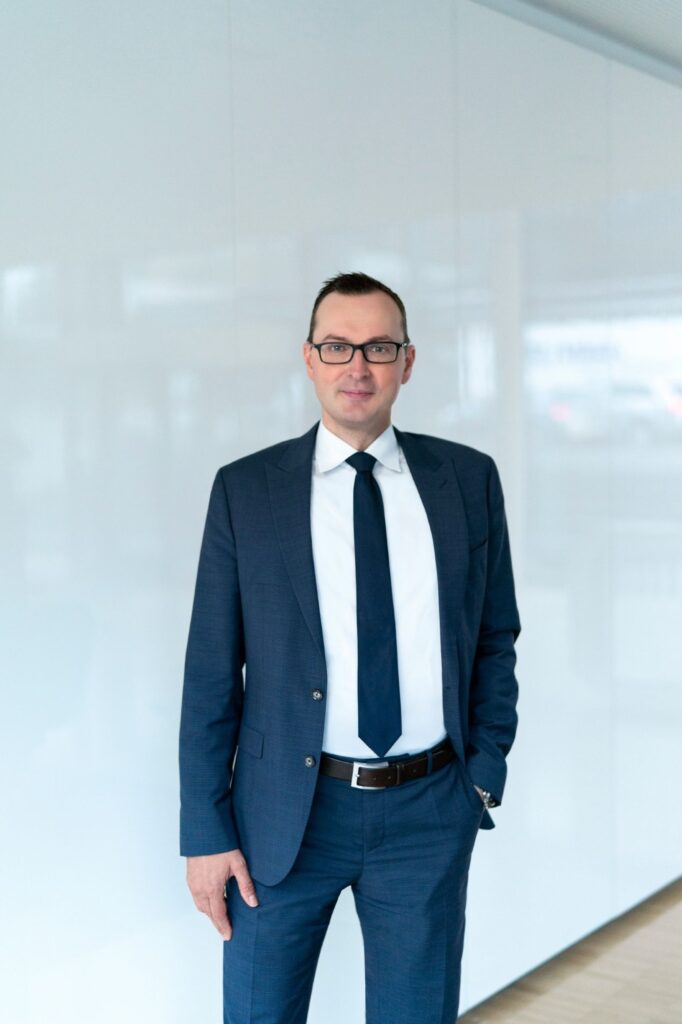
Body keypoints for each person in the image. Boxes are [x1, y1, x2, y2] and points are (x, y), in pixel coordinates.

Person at [178, 271, 522, 1024]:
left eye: (378, 347)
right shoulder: (246, 491)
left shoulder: (467, 481)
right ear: (309, 359)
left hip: (430, 811)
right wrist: (204, 831)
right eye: (337, 346)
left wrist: (482, 776)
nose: (357, 366)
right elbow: (210, 673)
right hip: (281, 816)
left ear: (408, 361)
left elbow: (496, 637)